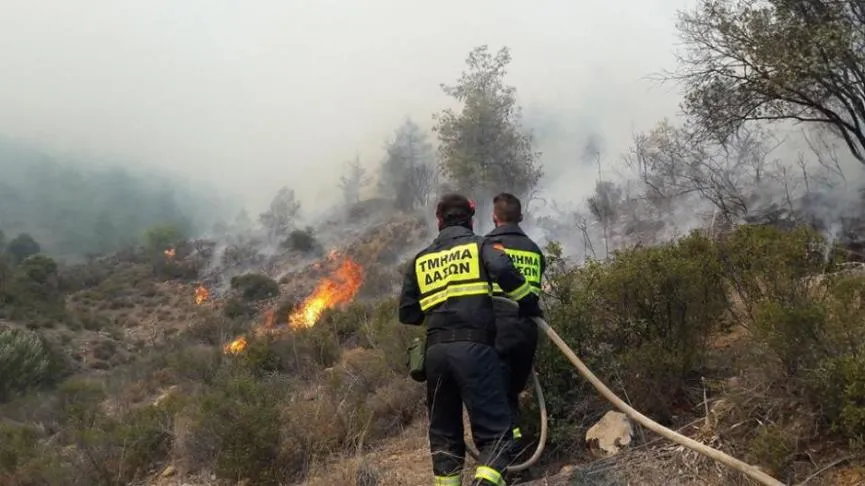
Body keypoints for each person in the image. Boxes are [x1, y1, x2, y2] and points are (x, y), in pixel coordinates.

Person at [399, 193, 542, 486]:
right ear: (471, 218)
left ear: (438, 220)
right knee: (496, 433)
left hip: (436, 356)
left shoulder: (421, 259)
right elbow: (503, 269)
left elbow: (408, 313)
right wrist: (526, 301)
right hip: (476, 350)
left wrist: (440, 309)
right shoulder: (482, 246)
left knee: (445, 435)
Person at [484, 192, 546, 457]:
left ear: (494, 217)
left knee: (495, 399)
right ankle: (516, 450)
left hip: (496, 332)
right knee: (511, 395)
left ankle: (505, 457)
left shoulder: (486, 246)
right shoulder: (534, 249)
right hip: (526, 334)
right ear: (521, 217)